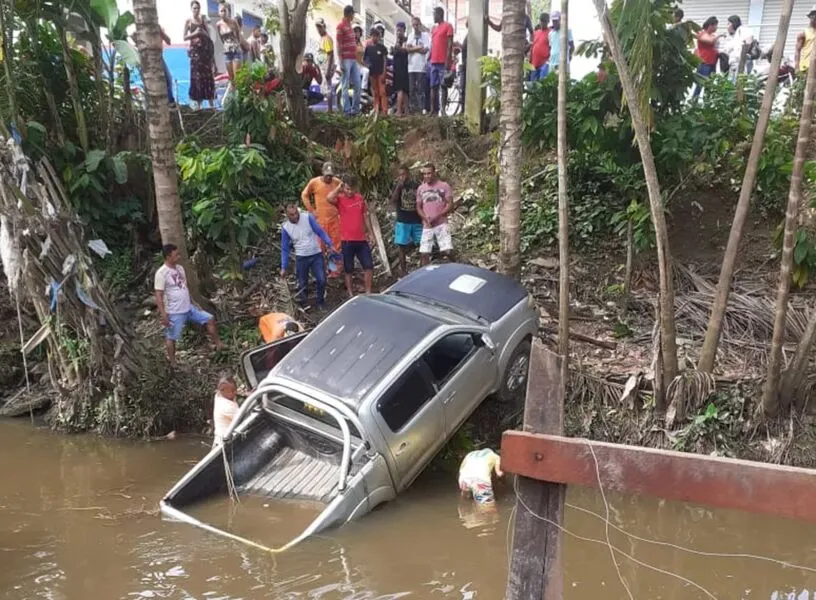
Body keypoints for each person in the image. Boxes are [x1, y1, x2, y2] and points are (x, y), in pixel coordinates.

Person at [154, 244, 224, 365]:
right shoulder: (161, 273)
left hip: (188, 307)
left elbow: (184, 287)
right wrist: (164, 314)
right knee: (172, 337)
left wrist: (191, 302)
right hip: (174, 311)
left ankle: (219, 344)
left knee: (209, 319)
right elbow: (159, 295)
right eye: (176, 255)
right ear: (168, 257)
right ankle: (172, 361)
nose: (179, 257)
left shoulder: (180, 268)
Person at [280, 203, 337, 309]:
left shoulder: (307, 217)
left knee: (321, 279)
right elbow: (285, 249)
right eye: (292, 215)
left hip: (316, 254)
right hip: (301, 257)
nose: (295, 216)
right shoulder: (286, 228)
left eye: (296, 213)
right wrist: (284, 266)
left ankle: (320, 301)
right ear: (287, 215)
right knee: (302, 282)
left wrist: (329, 243)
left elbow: (319, 231)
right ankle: (305, 303)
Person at [327, 175, 374, 297]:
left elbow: (365, 217)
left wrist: (370, 233)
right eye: (347, 189)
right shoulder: (340, 199)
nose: (349, 191)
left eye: (351, 189)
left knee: (368, 265)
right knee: (348, 269)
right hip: (347, 240)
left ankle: (368, 291)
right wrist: (339, 188)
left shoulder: (360, 199)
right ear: (344, 188)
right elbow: (329, 198)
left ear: (355, 188)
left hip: (361, 240)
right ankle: (350, 293)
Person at [301, 162, 342, 277]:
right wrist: (311, 210)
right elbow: (304, 195)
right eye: (327, 175)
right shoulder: (314, 182)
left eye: (331, 175)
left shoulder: (337, 183)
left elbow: (345, 195)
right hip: (320, 221)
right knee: (320, 247)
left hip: (334, 220)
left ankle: (335, 271)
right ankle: (320, 270)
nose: (329, 178)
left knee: (336, 246)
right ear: (322, 173)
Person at [416, 163, 454, 265]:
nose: (426, 176)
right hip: (427, 225)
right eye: (424, 174)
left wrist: (438, 216)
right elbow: (418, 207)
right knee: (424, 253)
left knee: (447, 251)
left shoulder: (444, 186)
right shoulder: (421, 189)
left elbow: (450, 205)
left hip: (441, 223)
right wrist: (425, 218)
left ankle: (455, 267)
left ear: (434, 173)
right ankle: (426, 276)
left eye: (429, 173)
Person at [391, 165, 422, 275]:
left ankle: (422, 269)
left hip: (416, 219)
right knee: (401, 246)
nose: (402, 177)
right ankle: (403, 271)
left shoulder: (416, 184)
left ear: (408, 174)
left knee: (422, 244)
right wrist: (399, 188)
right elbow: (393, 200)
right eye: (399, 175)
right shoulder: (396, 185)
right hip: (403, 220)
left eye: (403, 174)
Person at [184, 0, 216, 109]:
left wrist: (212, 58)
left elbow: (209, 36)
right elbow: (184, 37)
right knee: (197, 78)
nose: (196, 10)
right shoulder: (188, 21)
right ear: (191, 9)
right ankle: (199, 106)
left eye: (198, 8)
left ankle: (212, 105)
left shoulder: (203, 20)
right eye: (194, 8)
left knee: (208, 77)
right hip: (195, 54)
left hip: (205, 53)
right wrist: (195, 33)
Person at [337, 5, 361, 116]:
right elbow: (338, 44)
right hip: (345, 60)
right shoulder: (340, 26)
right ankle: (347, 111)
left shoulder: (350, 26)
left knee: (358, 84)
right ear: (349, 14)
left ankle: (355, 110)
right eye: (353, 14)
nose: (354, 16)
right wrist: (340, 62)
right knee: (345, 85)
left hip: (353, 59)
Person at [429, 7, 453, 116]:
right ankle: (433, 110)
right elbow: (432, 45)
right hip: (433, 61)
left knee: (443, 86)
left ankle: (443, 110)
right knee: (433, 86)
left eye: (434, 14)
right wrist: (428, 58)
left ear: (439, 14)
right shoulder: (433, 29)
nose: (433, 17)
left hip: (443, 62)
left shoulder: (448, 26)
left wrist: (448, 60)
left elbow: (450, 44)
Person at [692, 17, 721, 100]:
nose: (716, 28)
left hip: (712, 63)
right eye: (715, 26)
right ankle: (694, 103)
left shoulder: (712, 35)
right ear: (710, 25)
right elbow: (710, 41)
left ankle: (706, 104)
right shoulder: (702, 33)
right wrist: (719, 36)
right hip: (704, 63)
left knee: (709, 85)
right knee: (700, 85)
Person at [406, 16, 430, 114]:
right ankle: (413, 110)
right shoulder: (410, 36)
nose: (415, 27)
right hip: (411, 67)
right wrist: (419, 47)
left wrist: (413, 48)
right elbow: (407, 49)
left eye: (417, 25)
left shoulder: (425, 36)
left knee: (420, 90)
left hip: (421, 67)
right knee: (411, 89)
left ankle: (420, 109)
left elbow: (425, 50)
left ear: (420, 25)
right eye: (414, 25)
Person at [216, 2, 243, 82]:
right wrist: (226, 45)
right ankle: (234, 93)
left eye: (225, 10)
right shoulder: (218, 24)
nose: (223, 13)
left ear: (228, 11)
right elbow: (221, 38)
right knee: (231, 78)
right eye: (221, 11)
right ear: (219, 12)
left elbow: (238, 35)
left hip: (235, 51)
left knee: (237, 77)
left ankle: (238, 93)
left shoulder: (233, 22)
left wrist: (237, 45)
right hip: (227, 52)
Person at [365, 28, 389, 114]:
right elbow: (365, 60)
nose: (375, 38)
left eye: (377, 36)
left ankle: (384, 110)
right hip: (372, 73)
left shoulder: (382, 48)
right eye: (373, 36)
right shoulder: (368, 48)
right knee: (375, 92)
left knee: (382, 91)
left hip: (380, 73)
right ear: (371, 36)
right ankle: (376, 110)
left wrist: (384, 72)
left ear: (379, 37)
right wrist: (367, 65)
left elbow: (385, 61)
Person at [723, 15, 754, 80]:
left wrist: (743, 52)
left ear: (734, 23)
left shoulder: (742, 30)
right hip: (734, 64)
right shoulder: (734, 35)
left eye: (728, 23)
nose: (727, 26)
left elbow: (749, 38)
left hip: (740, 63)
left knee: (736, 85)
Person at [212, 373, 239, 448]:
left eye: (235, 389)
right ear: (222, 391)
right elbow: (243, 417)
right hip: (223, 445)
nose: (235, 392)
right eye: (232, 391)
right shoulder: (226, 406)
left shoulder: (218, 395)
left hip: (219, 439)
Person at [315, 18, 336, 113]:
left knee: (327, 88)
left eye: (320, 27)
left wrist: (328, 70)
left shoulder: (327, 38)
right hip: (322, 65)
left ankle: (330, 110)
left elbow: (330, 54)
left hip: (326, 66)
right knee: (324, 87)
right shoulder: (322, 38)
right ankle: (329, 109)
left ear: (324, 27)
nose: (319, 29)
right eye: (317, 27)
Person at [392, 22, 410, 116]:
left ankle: (399, 111)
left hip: (403, 68)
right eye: (397, 30)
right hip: (397, 67)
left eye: (400, 30)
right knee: (404, 90)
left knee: (401, 89)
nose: (398, 32)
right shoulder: (397, 41)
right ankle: (406, 111)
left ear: (404, 30)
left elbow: (406, 51)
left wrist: (399, 49)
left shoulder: (406, 41)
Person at [530, 13, 551, 81]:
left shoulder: (550, 33)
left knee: (542, 85)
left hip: (544, 64)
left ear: (548, 21)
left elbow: (551, 47)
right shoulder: (536, 33)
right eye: (541, 21)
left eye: (544, 21)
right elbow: (532, 47)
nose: (542, 23)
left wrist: (548, 61)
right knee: (532, 86)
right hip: (534, 64)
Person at [796, 7, 816, 74]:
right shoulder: (803, 33)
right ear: (811, 17)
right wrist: (797, 68)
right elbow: (797, 51)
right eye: (814, 16)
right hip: (806, 68)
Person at [159, 28, 176, 106]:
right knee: (167, 79)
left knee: (168, 79)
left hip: (159, 56)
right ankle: (169, 101)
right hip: (151, 56)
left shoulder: (159, 28)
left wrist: (161, 32)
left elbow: (168, 41)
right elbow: (133, 35)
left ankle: (169, 100)